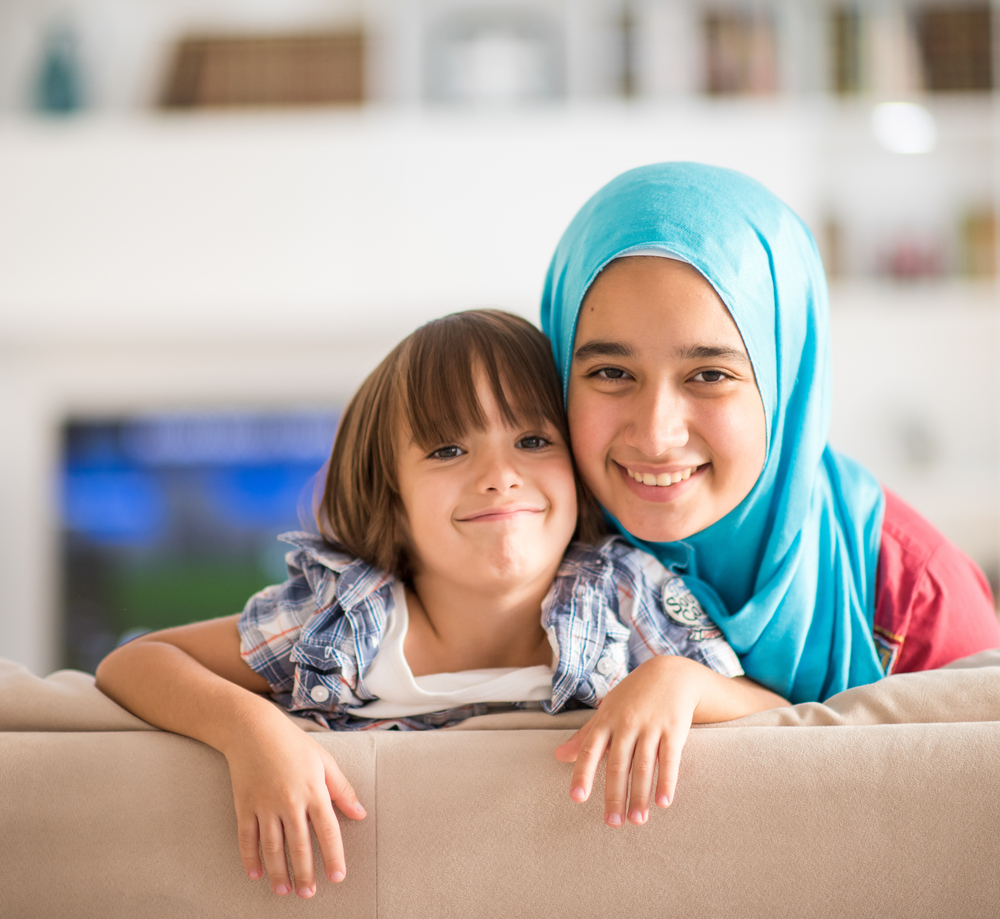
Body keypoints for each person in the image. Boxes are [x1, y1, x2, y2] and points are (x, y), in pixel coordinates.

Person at [95, 309, 786, 900]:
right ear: (392, 499)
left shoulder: (621, 594)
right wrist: (251, 731)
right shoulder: (344, 619)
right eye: (449, 448)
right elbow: (136, 661)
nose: (498, 475)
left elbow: (783, 720)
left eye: (533, 440)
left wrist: (677, 681)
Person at [542, 161, 1000, 824]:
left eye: (709, 374)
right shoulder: (519, 537)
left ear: (786, 380)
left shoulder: (910, 589)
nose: (657, 432)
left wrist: (695, 687)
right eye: (611, 372)